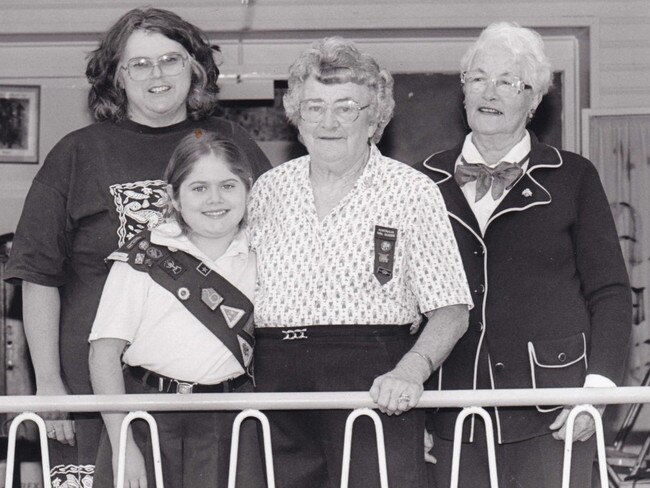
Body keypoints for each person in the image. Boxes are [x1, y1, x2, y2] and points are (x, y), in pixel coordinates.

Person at [4, 8, 270, 486]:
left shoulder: (233, 143)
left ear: (195, 67)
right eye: (139, 64)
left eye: (170, 59)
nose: (157, 74)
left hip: (217, 394)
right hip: (91, 393)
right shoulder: (77, 152)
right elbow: (37, 274)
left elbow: (275, 250)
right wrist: (49, 386)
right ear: (117, 77)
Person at [248, 36, 473, 488]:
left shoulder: (411, 191)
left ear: (375, 119)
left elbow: (452, 309)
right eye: (314, 107)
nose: (328, 121)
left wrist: (411, 372)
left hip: (375, 381)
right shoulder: (266, 190)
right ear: (296, 117)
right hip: (274, 380)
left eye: (346, 107)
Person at [416, 22, 632, 488]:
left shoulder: (572, 176)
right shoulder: (422, 181)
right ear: (464, 90)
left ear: (534, 100)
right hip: (451, 408)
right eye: (478, 78)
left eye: (509, 82)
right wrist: (410, 406)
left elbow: (611, 292)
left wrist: (595, 392)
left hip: (554, 408)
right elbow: (398, 303)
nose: (489, 92)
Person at [89, 131, 260, 488]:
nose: (215, 199)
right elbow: (103, 354)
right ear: (175, 198)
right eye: (198, 188)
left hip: (230, 420)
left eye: (228, 186)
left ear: (248, 188)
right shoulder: (143, 257)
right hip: (146, 418)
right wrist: (123, 444)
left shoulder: (265, 254)